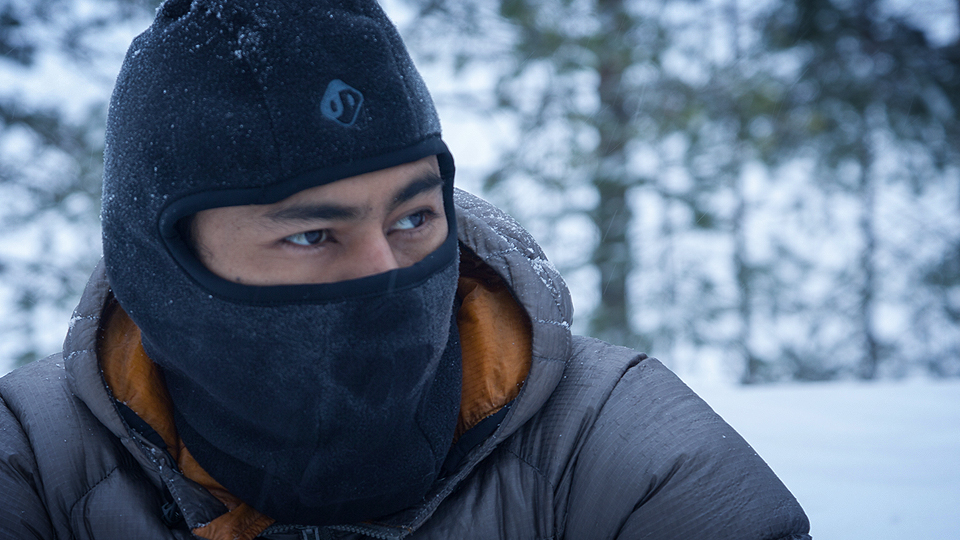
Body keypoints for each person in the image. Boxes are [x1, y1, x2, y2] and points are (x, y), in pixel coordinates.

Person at [0, 1, 811, 538]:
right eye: (312, 235)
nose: (387, 270)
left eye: (414, 218)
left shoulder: (616, 453)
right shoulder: (33, 467)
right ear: (164, 266)